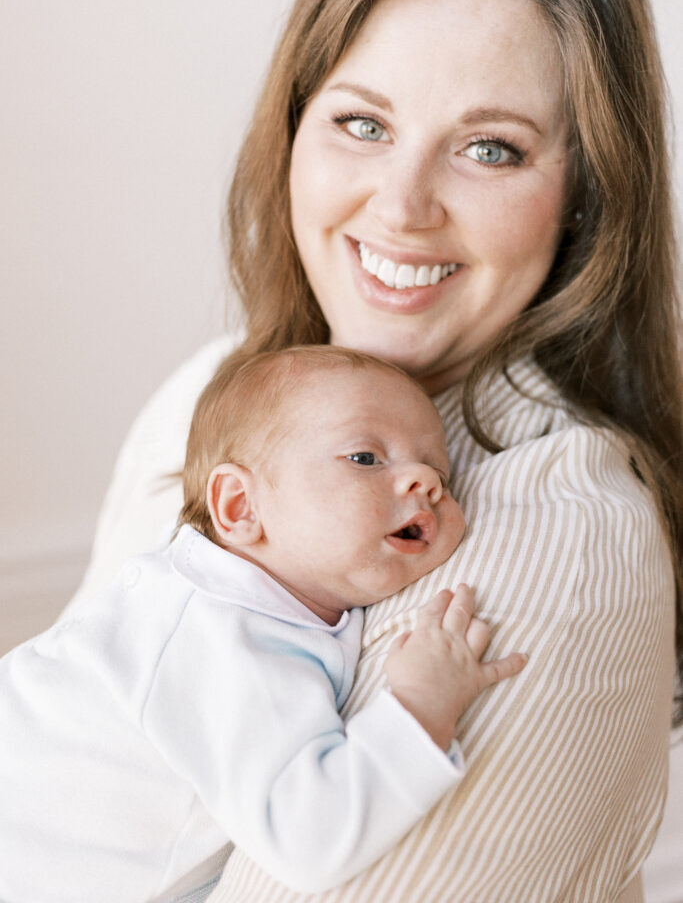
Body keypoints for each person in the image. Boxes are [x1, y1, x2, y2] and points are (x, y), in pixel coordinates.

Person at [65, 0, 683, 900]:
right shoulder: (204, 397)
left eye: (490, 148)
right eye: (360, 123)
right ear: (293, 129)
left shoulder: (542, 541)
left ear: (585, 197)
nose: (399, 208)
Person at [0, 346, 528, 903]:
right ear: (239, 507)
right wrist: (423, 704)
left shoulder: (240, 593)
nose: (424, 479)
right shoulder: (223, 640)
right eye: (365, 458)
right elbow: (311, 835)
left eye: (440, 473)